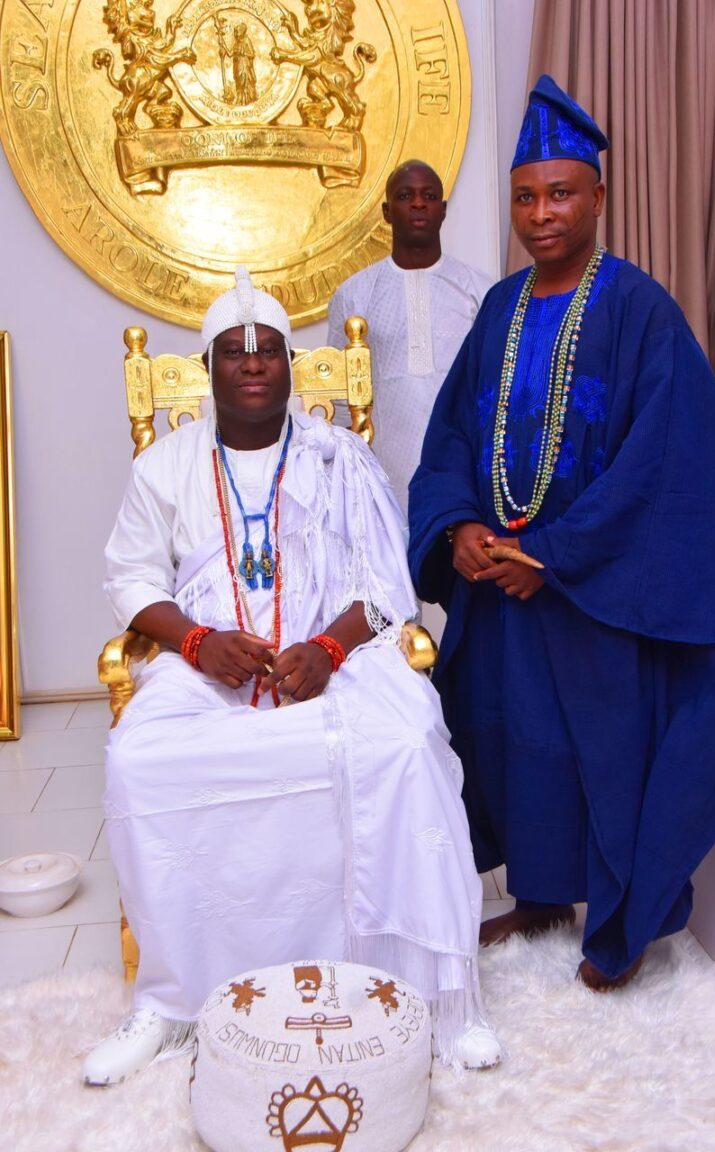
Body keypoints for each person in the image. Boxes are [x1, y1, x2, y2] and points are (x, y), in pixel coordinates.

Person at [82, 268, 499, 1087]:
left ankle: (430, 995)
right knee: (139, 759)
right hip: (209, 667)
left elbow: (385, 590)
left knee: (408, 741)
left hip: (332, 662)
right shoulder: (165, 466)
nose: (251, 362)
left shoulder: (342, 459)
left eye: (268, 349)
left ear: (289, 366)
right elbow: (131, 578)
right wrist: (196, 641)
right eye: (234, 350)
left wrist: (330, 650)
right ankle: (171, 1001)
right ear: (209, 367)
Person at [408, 76, 715, 991]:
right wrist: (459, 526)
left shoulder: (640, 309)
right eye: (525, 197)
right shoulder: (500, 307)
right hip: (502, 588)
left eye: (561, 193)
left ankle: (619, 922)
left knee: (599, 756)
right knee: (506, 740)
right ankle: (537, 897)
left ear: (598, 197)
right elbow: (453, 434)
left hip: (596, 587)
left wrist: (556, 555)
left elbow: (666, 459)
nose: (541, 214)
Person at [327, 160, 493, 512]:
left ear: (443, 210)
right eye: (405, 196)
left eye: (429, 196)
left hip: (462, 464)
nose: (418, 204)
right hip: (380, 469)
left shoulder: (480, 291)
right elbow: (341, 399)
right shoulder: (355, 294)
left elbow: (494, 389)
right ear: (387, 212)